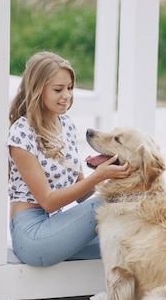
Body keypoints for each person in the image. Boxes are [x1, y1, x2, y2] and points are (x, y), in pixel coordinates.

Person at [7, 51, 130, 267]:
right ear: (37, 89)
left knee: (132, 242)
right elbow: (48, 200)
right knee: (106, 203)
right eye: (58, 89)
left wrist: (109, 174)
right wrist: (97, 178)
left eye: (70, 88)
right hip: (32, 235)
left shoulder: (67, 125)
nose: (67, 95)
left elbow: (81, 195)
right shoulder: (22, 133)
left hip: (57, 226)